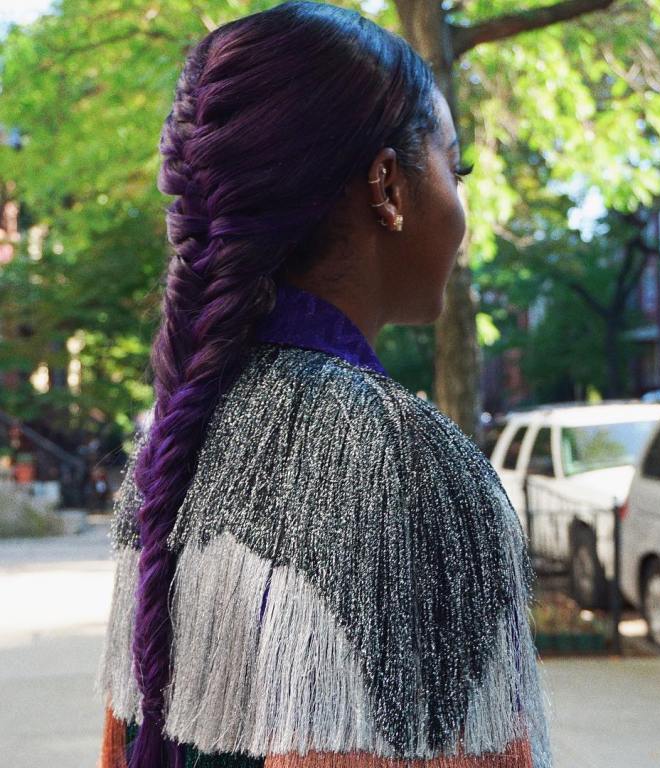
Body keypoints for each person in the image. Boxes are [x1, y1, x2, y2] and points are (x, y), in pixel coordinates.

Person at [95, 3, 553, 767]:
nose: (463, 203)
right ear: (388, 186)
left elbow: (117, 746)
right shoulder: (408, 465)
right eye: (456, 166)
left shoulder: (176, 443)